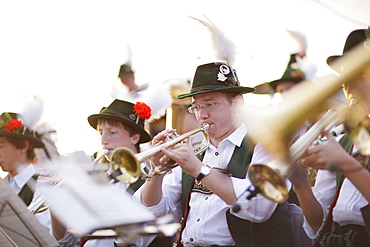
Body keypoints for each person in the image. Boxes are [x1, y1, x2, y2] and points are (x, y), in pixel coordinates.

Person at [134, 61, 296, 246]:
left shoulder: (265, 145)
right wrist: (157, 172)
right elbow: (154, 213)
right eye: (195, 107)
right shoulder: (195, 152)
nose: (201, 115)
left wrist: (198, 169)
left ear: (236, 104)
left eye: (209, 104)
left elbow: (259, 208)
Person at [289, 28, 370, 246]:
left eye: (356, 74)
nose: (347, 85)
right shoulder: (344, 139)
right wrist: (301, 185)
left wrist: (345, 163)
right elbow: (319, 223)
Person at [0, 111, 52, 232]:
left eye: (1, 146)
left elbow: (48, 236)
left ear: (23, 146)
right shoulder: (4, 185)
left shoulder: (43, 184)